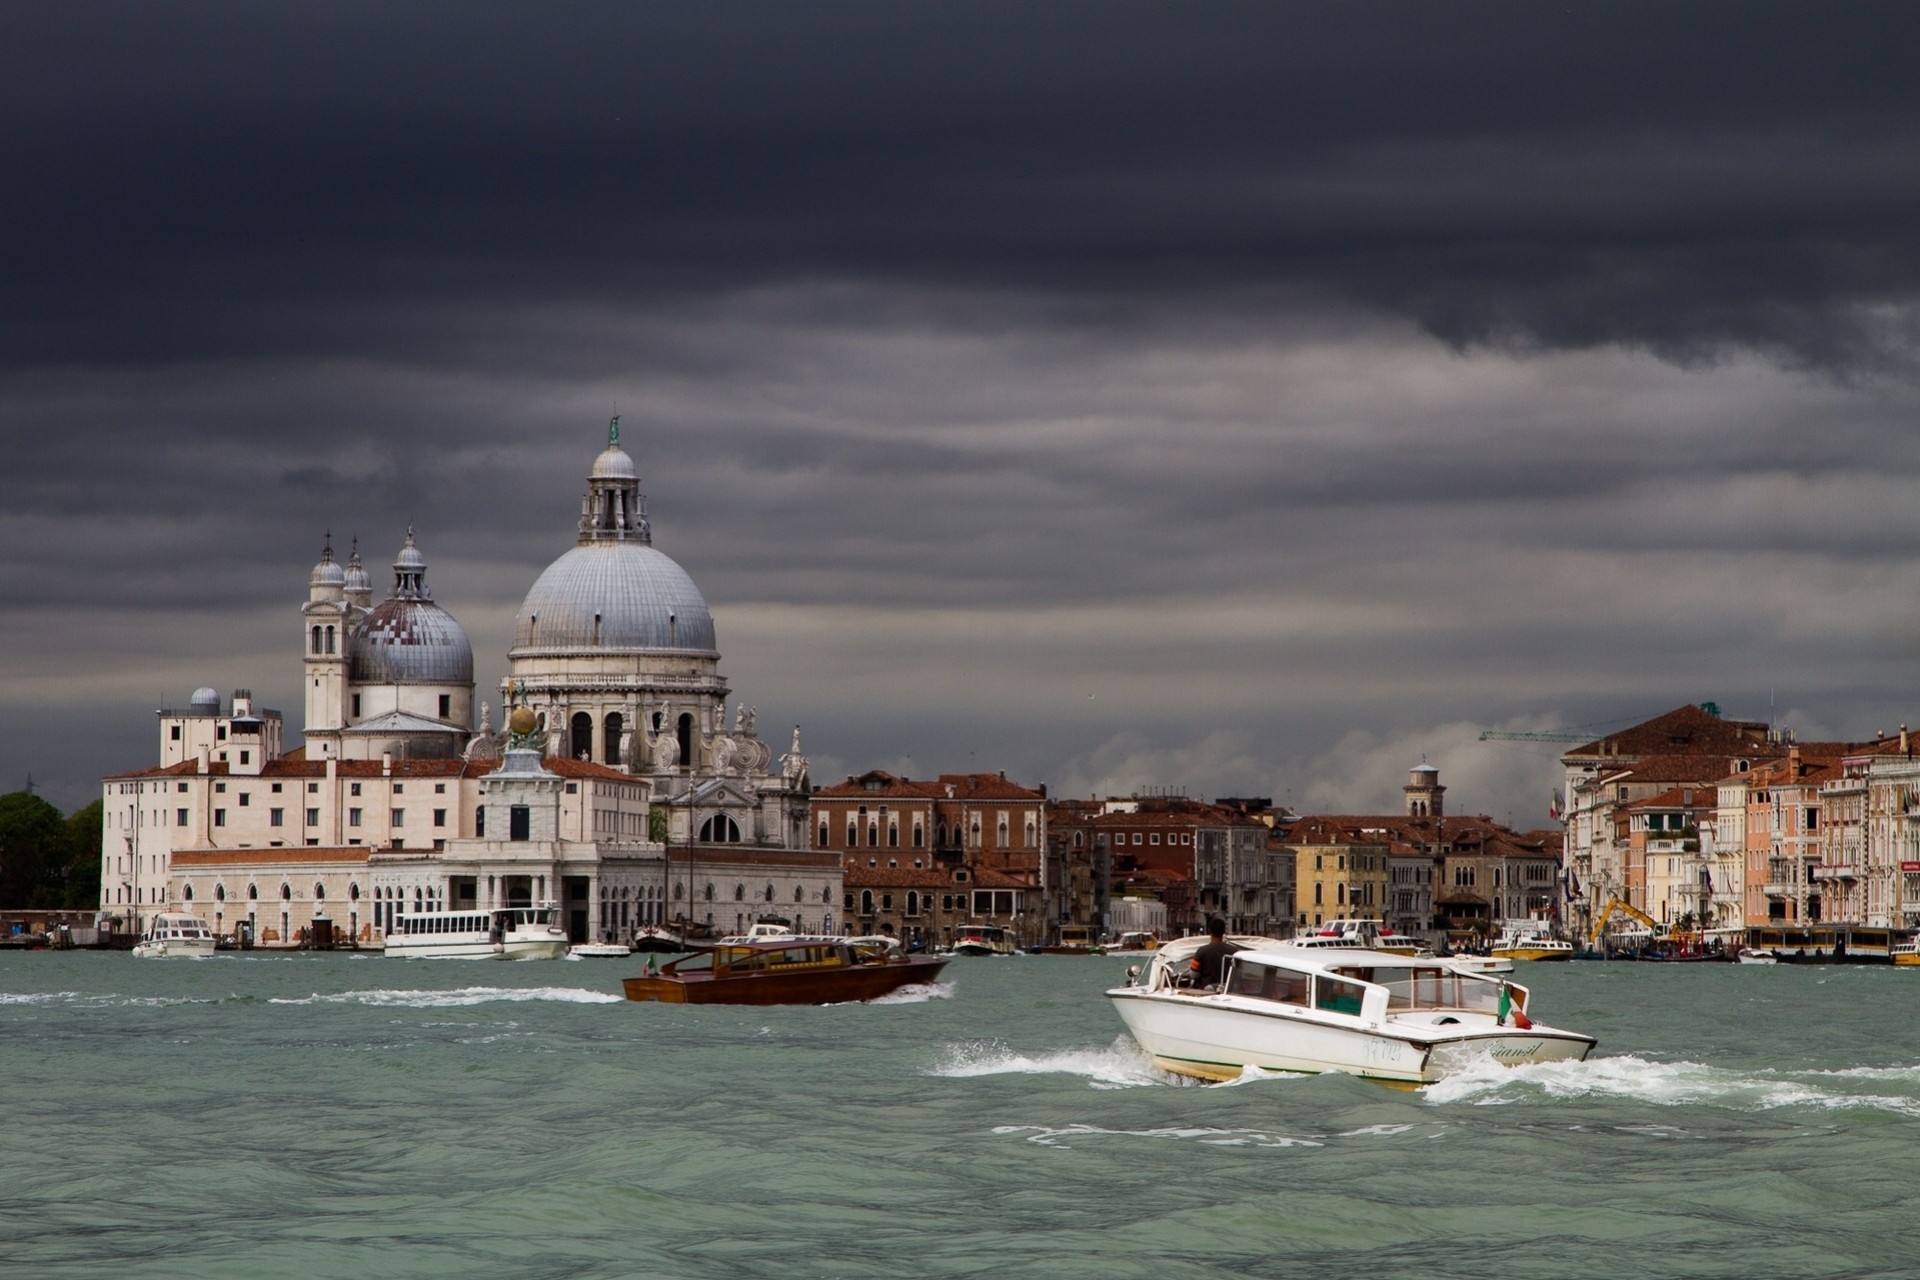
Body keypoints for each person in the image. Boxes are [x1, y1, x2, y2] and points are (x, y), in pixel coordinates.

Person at [1189, 918, 1240, 989]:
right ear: (1223, 932)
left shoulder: (1202, 951)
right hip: (1228, 989)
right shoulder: (1234, 951)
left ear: (1210, 931)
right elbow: (1239, 974)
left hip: (1206, 990)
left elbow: (1193, 975)